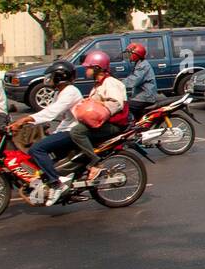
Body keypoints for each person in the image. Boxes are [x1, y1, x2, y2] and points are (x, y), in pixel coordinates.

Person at [8, 60, 81, 206]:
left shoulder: (70, 92)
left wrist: (25, 119)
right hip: (64, 128)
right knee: (36, 150)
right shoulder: (60, 92)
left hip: (72, 131)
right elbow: (48, 112)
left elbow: (51, 112)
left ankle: (56, 184)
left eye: (52, 76)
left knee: (37, 149)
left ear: (60, 77)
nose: (49, 79)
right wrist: (24, 122)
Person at [69, 50, 128, 181]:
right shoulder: (98, 84)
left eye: (88, 67)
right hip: (104, 123)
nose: (85, 70)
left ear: (97, 68)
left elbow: (116, 104)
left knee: (76, 132)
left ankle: (95, 162)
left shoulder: (110, 82)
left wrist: (97, 104)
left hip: (113, 125)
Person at [123, 42, 158, 117]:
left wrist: (119, 84)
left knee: (124, 107)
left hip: (145, 97)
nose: (128, 56)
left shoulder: (143, 66)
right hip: (140, 96)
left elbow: (133, 81)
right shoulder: (139, 63)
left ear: (136, 55)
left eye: (130, 54)